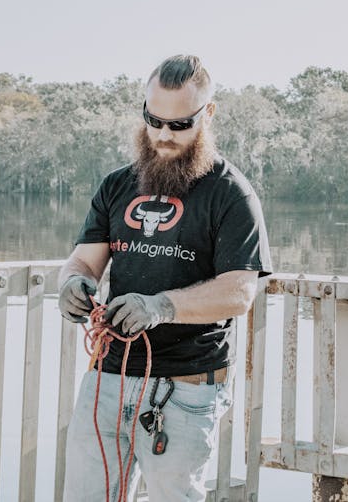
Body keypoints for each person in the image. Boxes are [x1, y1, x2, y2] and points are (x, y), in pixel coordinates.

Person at [58, 54, 272, 502]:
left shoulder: (232, 194)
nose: (162, 134)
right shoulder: (116, 185)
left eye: (179, 124)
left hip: (188, 390)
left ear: (207, 114)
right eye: (153, 120)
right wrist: (72, 286)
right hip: (108, 379)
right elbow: (83, 263)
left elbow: (239, 291)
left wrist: (161, 306)